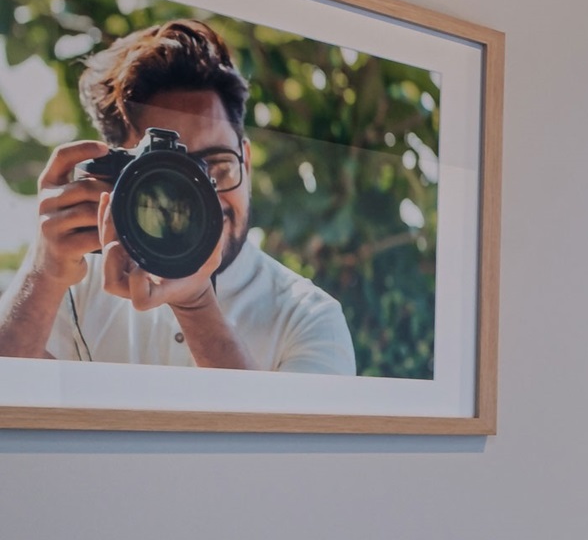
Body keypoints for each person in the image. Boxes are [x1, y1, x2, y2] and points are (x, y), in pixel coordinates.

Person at [0, 20, 354, 374]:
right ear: (121, 179)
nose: (198, 197)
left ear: (245, 162)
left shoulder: (308, 318)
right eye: (168, 175)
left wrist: (196, 306)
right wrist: (43, 274)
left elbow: (288, 420)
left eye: (216, 166)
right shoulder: (73, 287)